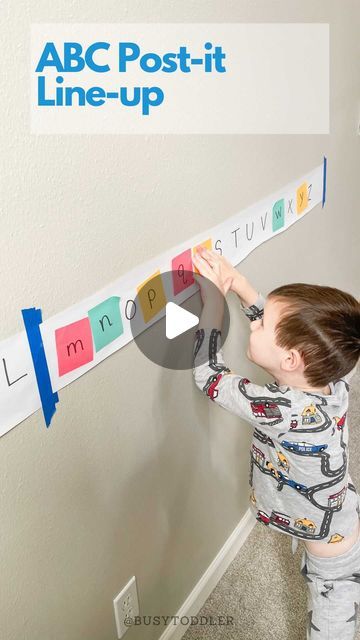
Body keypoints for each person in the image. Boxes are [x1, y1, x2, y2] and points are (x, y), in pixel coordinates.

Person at [191, 246, 360, 639]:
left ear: (290, 361)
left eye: (260, 323)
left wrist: (212, 306)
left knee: (332, 627)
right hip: (339, 516)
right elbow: (285, 335)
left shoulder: (282, 408)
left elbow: (210, 378)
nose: (253, 324)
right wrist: (242, 287)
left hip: (332, 562)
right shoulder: (334, 380)